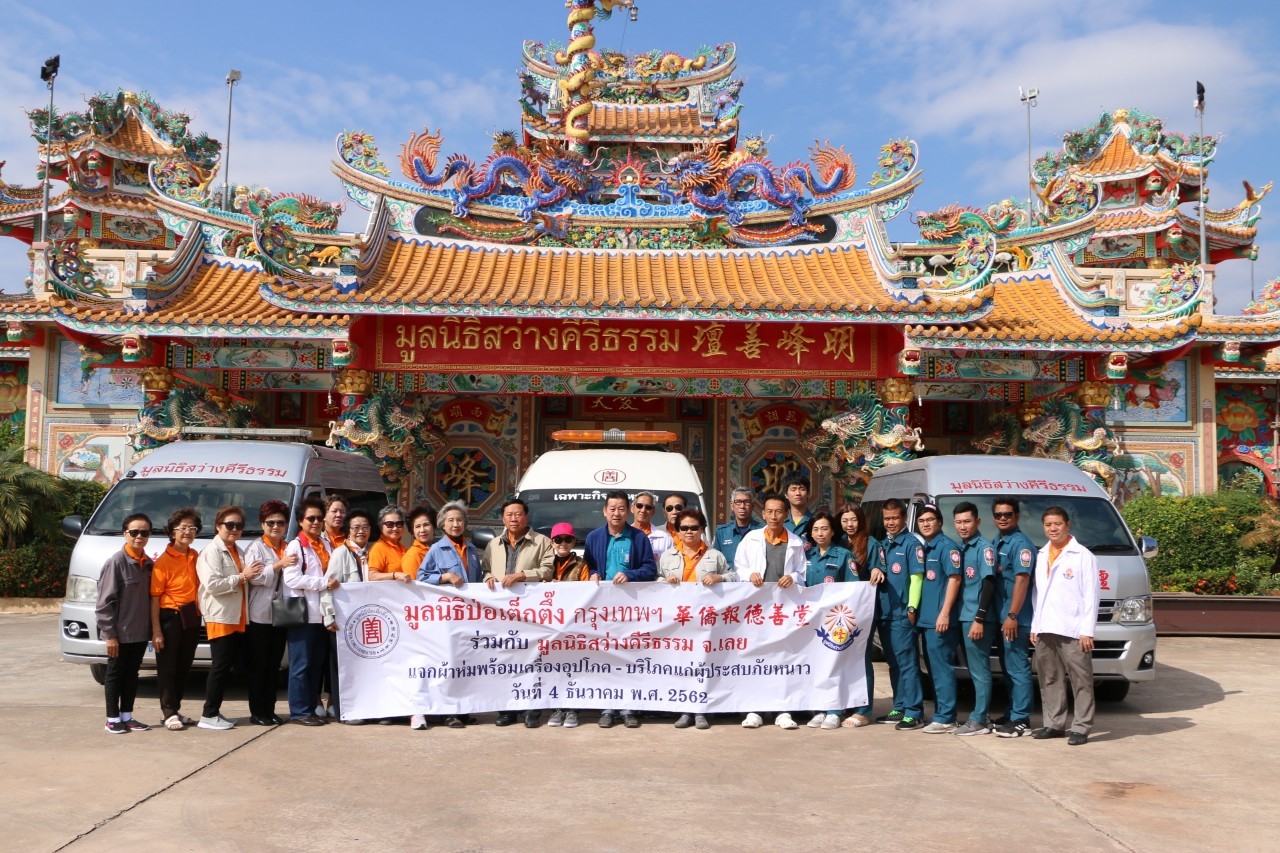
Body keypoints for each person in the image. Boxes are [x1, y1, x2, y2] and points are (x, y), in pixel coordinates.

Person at [583, 490, 657, 729]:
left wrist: (630, 574)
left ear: (629, 511)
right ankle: (607, 708)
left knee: (629, 655)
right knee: (605, 657)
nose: (616, 513)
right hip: (602, 609)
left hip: (630, 607)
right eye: (612, 509)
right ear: (604, 511)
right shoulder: (594, 537)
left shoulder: (639, 538)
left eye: (621, 509)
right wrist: (593, 573)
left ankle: (628, 708)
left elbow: (650, 569)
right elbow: (588, 565)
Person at [734, 493, 805, 730]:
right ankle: (755, 709)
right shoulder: (751, 539)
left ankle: (783, 710)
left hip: (784, 609)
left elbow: (802, 573)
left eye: (779, 512)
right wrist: (749, 575)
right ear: (763, 514)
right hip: (757, 609)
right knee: (757, 658)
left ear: (786, 515)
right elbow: (739, 567)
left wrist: (792, 577)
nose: (774, 516)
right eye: (769, 512)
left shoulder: (795, 542)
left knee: (783, 658)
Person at [658, 508, 732, 731]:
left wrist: (719, 577)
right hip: (678, 622)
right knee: (682, 666)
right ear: (677, 531)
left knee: (703, 664)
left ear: (702, 529)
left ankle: (701, 711)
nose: (689, 532)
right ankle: (684, 710)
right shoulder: (667, 556)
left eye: (694, 527)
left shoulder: (715, 556)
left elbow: (733, 577)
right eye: (684, 528)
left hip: (706, 622)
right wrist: (664, 581)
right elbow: (655, 582)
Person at [1031, 507, 1099, 746]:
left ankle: (1081, 727)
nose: (1053, 529)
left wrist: (1087, 630)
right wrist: (1035, 625)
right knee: (1050, 678)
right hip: (1046, 627)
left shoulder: (1083, 556)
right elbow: (1037, 594)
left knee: (1081, 679)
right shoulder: (1041, 555)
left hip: (1073, 629)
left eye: (1057, 524)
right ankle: (1054, 723)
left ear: (1067, 525)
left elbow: (1091, 595)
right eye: (1048, 525)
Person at [484, 497, 555, 727]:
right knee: (505, 659)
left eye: (518, 514)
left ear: (526, 516)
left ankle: (532, 709)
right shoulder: (493, 544)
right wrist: (488, 577)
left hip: (531, 611)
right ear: (503, 518)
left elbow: (548, 570)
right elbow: (485, 569)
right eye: (509, 515)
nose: (513, 518)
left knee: (533, 658)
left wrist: (522, 575)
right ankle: (507, 709)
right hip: (502, 612)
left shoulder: (542, 542)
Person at [416, 501, 484, 729]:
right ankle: (447, 712)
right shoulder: (437, 549)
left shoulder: (472, 550)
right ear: (443, 525)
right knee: (448, 664)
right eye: (451, 520)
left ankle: (463, 710)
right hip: (447, 617)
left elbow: (477, 580)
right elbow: (421, 576)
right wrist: (444, 577)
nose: (456, 524)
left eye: (460, 520)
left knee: (466, 663)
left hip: (469, 616)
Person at [196, 506, 263, 730]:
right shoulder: (212, 551)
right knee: (220, 666)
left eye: (239, 526)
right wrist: (242, 577)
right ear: (218, 526)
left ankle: (214, 712)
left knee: (226, 667)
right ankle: (208, 714)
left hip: (236, 616)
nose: (234, 529)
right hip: (221, 616)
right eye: (229, 525)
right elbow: (212, 585)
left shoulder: (237, 550)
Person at [97, 513, 155, 734]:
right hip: (119, 634)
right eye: (134, 532)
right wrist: (109, 635)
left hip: (139, 633)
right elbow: (104, 603)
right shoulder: (116, 563)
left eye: (144, 532)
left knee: (132, 674)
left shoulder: (148, 564)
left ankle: (127, 716)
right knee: (114, 674)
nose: (139, 536)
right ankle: (112, 719)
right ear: (125, 534)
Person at [283, 497, 336, 726]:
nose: (315, 522)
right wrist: (323, 583)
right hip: (303, 614)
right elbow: (292, 579)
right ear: (300, 521)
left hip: (322, 614)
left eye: (319, 518)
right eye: (310, 518)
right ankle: (299, 711)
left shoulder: (325, 544)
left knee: (315, 664)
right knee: (300, 665)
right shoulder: (296, 546)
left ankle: (310, 708)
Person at [873, 498, 925, 730]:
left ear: (904, 518)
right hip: (885, 613)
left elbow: (917, 578)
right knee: (893, 663)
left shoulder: (912, 544)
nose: (890, 522)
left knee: (907, 663)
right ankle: (900, 706)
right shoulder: (883, 544)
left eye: (895, 518)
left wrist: (912, 607)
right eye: (887, 518)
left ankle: (914, 712)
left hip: (903, 614)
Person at [243, 500, 295, 726]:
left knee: (274, 665)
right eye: (270, 522)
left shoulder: (288, 546)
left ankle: (270, 709)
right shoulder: (256, 547)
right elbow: (254, 578)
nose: (275, 526)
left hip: (282, 612)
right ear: (262, 524)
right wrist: (278, 565)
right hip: (260, 613)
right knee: (259, 665)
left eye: (280, 522)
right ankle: (257, 711)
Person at [150, 508, 202, 731]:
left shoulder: (195, 556)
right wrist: (156, 631)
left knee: (184, 666)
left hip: (191, 616)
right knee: (168, 668)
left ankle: (175, 710)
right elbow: (155, 598)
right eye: (182, 528)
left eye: (192, 528)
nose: (187, 532)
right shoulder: (163, 561)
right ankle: (168, 712)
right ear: (172, 532)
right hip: (169, 616)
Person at [914, 504, 963, 734]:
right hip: (926, 619)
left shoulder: (947, 547)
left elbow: (955, 579)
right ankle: (940, 713)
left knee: (942, 669)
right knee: (933, 669)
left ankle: (947, 717)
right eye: (922, 521)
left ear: (940, 522)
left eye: (930, 519)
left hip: (940, 620)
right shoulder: (925, 547)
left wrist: (944, 613)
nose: (926, 524)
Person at [321, 508, 372, 726]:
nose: (361, 531)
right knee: (342, 668)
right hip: (343, 621)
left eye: (365, 527)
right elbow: (327, 585)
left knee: (360, 668)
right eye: (356, 527)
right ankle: (343, 711)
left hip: (364, 621)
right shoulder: (340, 554)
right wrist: (328, 616)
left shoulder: (369, 553)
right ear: (348, 531)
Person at [991, 497, 1037, 739]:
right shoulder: (998, 541)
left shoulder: (1021, 545)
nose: (1002, 518)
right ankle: (1012, 713)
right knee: (1008, 669)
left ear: (1017, 516)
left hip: (1015, 619)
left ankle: (1021, 719)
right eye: (998, 514)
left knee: (1018, 668)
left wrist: (1012, 615)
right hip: (1002, 617)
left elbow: (1022, 580)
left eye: (1007, 514)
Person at [953, 501, 998, 736]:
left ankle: (979, 718)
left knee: (980, 669)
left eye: (967, 521)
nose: (963, 526)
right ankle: (982, 715)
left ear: (977, 522)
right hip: (964, 616)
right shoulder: (961, 547)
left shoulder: (984, 548)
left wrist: (979, 618)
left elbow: (989, 582)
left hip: (976, 618)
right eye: (958, 522)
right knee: (973, 669)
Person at [837, 503, 879, 728]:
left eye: (853, 519)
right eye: (845, 520)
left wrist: (877, 569)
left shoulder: (871, 544)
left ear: (861, 520)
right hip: (839, 612)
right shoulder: (837, 542)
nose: (849, 524)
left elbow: (878, 568)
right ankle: (845, 703)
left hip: (862, 610)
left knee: (861, 657)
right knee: (840, 657)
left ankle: (864, 709)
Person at [546, 522, 588, 729]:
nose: (563, 543)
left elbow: (587, 592)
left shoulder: (582, 565)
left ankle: (572, 709)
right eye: (558, 539)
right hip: (549, 624)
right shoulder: (545, 564)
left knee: (574, 667)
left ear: (573, 542)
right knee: (554, 667)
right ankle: (557, 707)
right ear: (552, 542)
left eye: (568, 539)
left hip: (573, 623)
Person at [712, 487, 762, 566]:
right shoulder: (722, 532)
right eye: (738, 502)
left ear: (753, 506)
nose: (742, 506)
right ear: (732, 506)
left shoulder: (762, 530)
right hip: (729, 574)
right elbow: (715, 561)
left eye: (746, 502)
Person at [367, 505, 410, 583]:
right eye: (390, 524)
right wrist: (394, 575)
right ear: (381, 527)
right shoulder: (378, 548)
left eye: (399, 524)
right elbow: (372, 576)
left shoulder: (403, 548)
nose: (395, 528)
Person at [631, 491, 672, 560]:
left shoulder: (665, 538)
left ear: (653, 511)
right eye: (639, 506)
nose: (643, 510)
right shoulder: (623, 536)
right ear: (632, 508)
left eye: (648, 507)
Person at [780, 471, 813, 550]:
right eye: (793, 489)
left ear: (808, 493)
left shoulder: (815, 520)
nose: (798, 493)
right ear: (786, 494)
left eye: (802, 489)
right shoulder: (780, 521)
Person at [401, 506, 436, 579]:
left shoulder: (438, 549)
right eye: (417, 526)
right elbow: (414, 584)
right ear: (412, 531)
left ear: (434, 527)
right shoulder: (412, 556)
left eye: (426, 525)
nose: (422, 530)